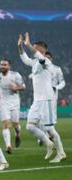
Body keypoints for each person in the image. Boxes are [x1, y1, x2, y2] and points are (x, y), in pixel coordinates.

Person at [18, 32, 66, 163]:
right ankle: (48, 144)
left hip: (46, 99)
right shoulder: (35, 63)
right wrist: (20, 46)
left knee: (50, 128)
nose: (32, 49)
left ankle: (61, 153)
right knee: (30, 126)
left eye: (34, 47)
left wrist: (28, 44)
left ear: (40, 49)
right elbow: (24, 58)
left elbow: (37, 55)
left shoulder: (47, 62)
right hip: (37, 100)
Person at [0, 59, 26, 154]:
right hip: (3, 103)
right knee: (6, 125)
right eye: (1, 64)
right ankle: (8, 146)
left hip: (15, 102)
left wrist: (16, 88)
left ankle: (17, 133)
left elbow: (23, 87)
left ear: (9, 66)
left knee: (15, 124)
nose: (3, 66)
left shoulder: (15, 75)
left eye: (5, 65)